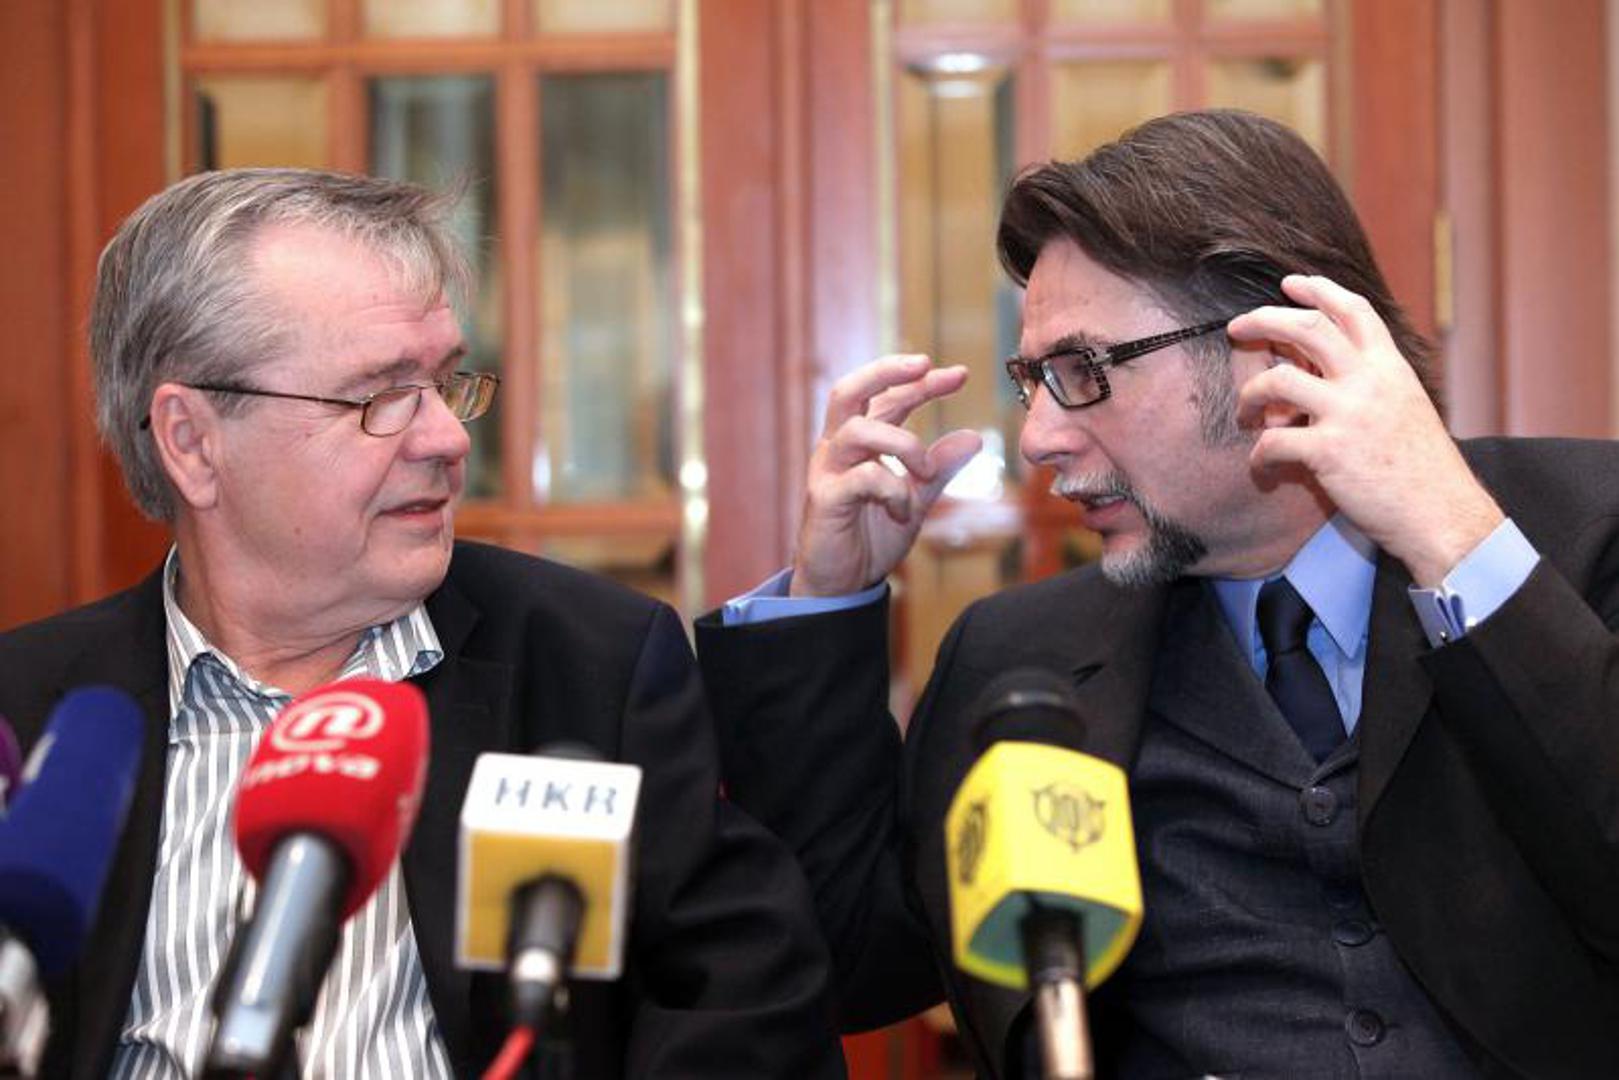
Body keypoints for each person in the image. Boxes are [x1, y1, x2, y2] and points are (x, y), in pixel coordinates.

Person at [696, 109, 1619, 1077]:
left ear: (1280, 354)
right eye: (1033, 380)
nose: (1038, 438)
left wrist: (1451, 541)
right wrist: (828, 595)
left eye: (1083, 371)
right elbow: (843, 964)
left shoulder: (1583, 537)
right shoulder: (1019, 661)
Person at [0, 168, 844, 1079]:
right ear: (193, 442)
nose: (447, 438)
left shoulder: (587, 667)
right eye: (380, 397)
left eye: (444, 383)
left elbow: (748, 1012)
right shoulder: (34, 716)